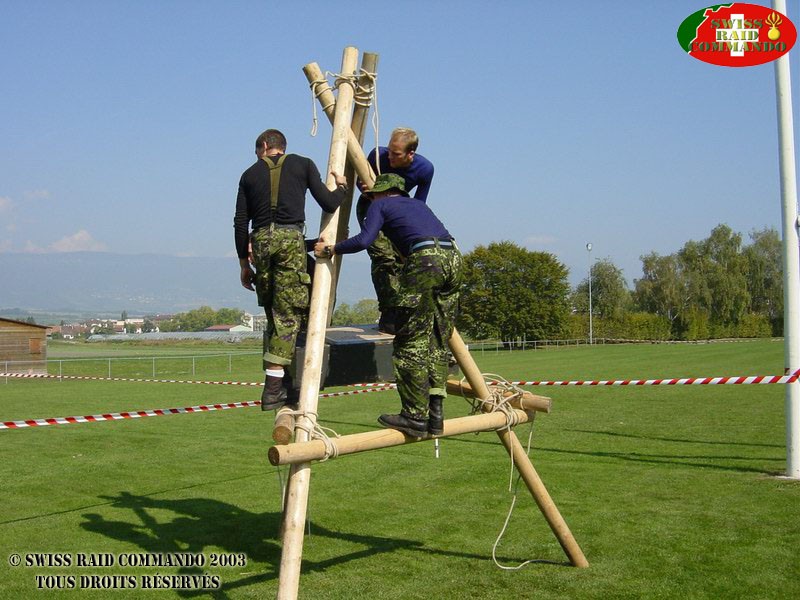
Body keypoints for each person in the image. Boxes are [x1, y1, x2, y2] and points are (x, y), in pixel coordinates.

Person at [315, 173, 462, 438]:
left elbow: (364, 240)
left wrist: (331, 249)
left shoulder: (380, 205)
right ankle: (436, 416)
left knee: (409, 344)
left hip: (425, 260)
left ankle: (415, 417)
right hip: (453, 257)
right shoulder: (418, 205)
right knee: (439, 338)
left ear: (381, 193)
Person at [234, 128, 347, 411]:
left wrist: (244, 263)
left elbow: (240, 223)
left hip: (260, 243)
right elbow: (329, 202)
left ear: (263, 146)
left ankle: (284, 381)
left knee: (275, 313)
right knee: (290, 315)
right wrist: (342, 187)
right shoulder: (303, 164)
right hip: (289, 239)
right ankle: (274, 389)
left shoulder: (248, 175)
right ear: (279, 146)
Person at [356, 128, 434, 333]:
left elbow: (419, 203)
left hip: (400, 213)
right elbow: (360, 180)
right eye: (389, 150)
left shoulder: (425, 169)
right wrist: (363, 187)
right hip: (372, 206)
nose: (389, 156)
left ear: (410, 154)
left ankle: (406, 310)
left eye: (396, 154)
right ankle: (389, 313)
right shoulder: (377, 155)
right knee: (383, 257)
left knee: (404, 260)